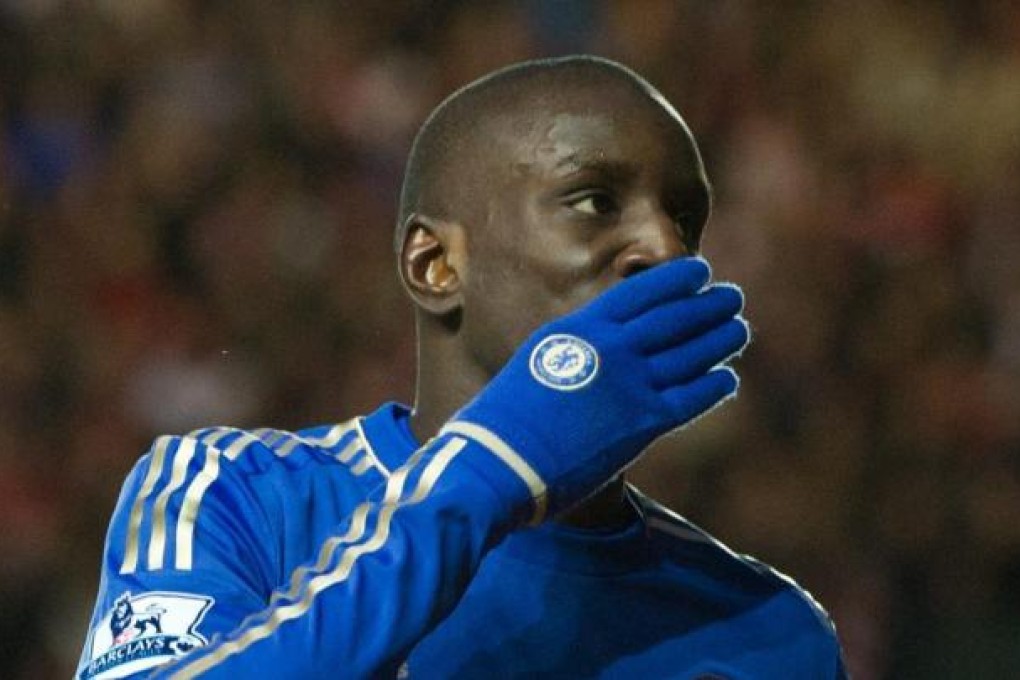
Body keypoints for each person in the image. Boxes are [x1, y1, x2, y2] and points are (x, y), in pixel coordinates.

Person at [77, 55, 845, 679]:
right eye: (593, 202)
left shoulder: (769, 630)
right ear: (436, 263)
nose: (666, 250)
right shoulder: (235, 493)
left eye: (685, 218)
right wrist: (488, 473)